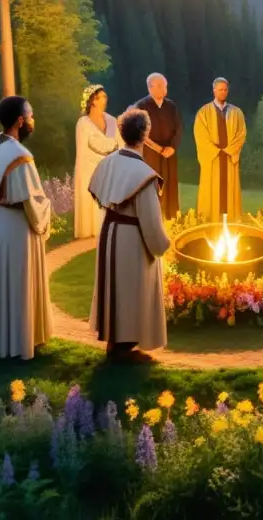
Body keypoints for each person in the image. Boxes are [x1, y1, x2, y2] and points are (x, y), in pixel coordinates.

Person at [89, 108, 171, 361]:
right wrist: (164, 244)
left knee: (115, 286)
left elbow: (99, 192)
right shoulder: (144, 175)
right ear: (145, 135)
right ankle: (124, 347)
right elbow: (150, 221)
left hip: (109, 231)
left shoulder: (108, 162)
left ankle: (114, 341)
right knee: (132, 288)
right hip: (131, 237)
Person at [0, 96, 53, 360]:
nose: (33, 120)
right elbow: (31, 200)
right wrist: (46, 214)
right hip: (17, 226)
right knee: (19, 282)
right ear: (20, 121)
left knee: (2, 280)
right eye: (31, 116)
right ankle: (22, 341)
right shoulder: (22, 155)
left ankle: (0, 338)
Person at [195, 77, 248, 222]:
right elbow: (200, 135)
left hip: (229, 157)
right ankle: (209, 218)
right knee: (211, 189)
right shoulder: (203, 112)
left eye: (225, 89)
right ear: (214, 90)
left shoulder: (236, 113)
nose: (223, 92)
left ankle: (231, 218)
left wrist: (230, 150)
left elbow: (241, 133)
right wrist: (215, 150)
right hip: (213, 158)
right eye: (220, 89)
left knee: (230, 190)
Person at [74, 84, 122, 239]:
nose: (105, 99)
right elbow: (95, 145)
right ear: (93, 101)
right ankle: (91, 233)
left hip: (108, 168)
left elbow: (119, 142)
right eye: (102, 97)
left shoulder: (111, 120)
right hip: (90, 168)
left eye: (105, 96)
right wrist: (112, 144)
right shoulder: (83, 123)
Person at [134, 73, 182, 218]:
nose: (164, 89)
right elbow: (141, 133)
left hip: (169, 153)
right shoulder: (141, 106)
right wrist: (159, 149)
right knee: (153, 184)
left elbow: (178, 128)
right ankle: (152, 218)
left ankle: (171, 217)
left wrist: (172, 147)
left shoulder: (170, 105)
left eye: (165, 86)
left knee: (170, 184)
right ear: (150, 88)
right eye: (160, 86)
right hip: (151, 154)